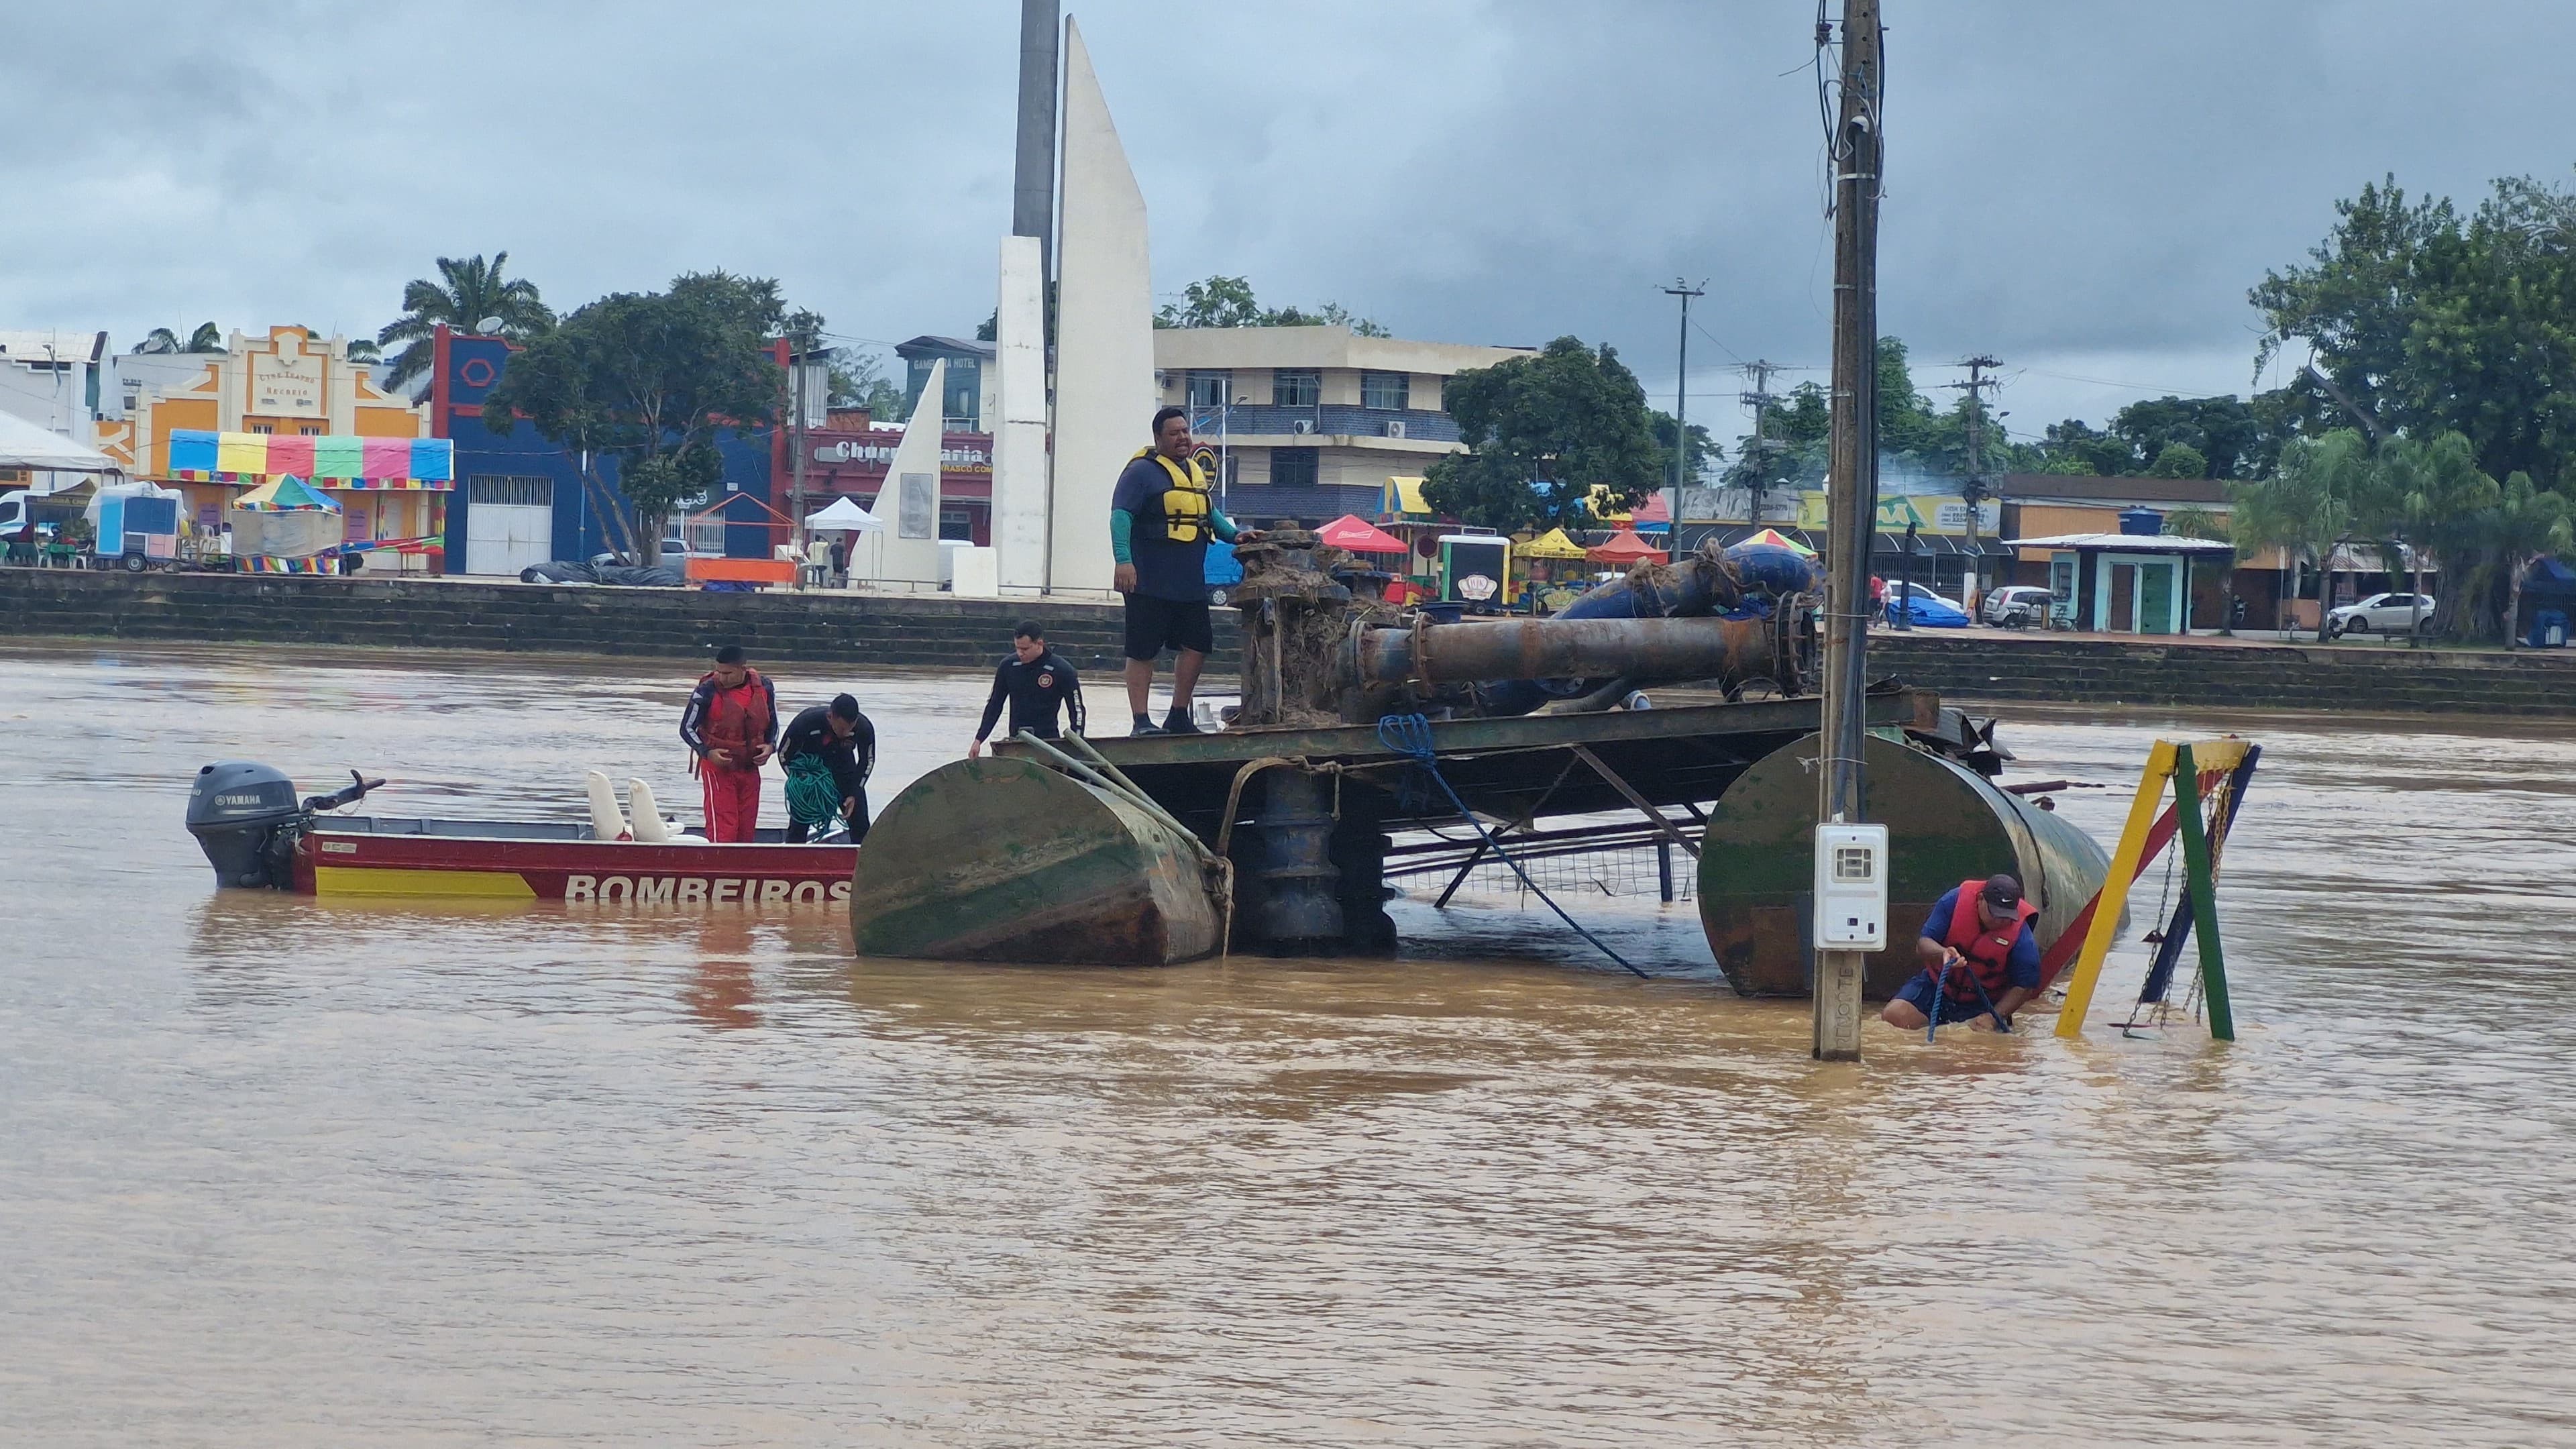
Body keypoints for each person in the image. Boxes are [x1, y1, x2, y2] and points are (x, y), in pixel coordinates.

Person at [1110, 406, 1258, 735]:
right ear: (1158, 438)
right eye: (1175, 433)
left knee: (1198, 645)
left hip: (1188, 582)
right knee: (1142, 650)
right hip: (1148, 579)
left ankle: (1178, 714)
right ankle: (1141, 721)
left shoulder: (1194, 472)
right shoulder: (1140, 473)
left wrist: (1236, 536)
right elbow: (1120, 517)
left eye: (1185, 431)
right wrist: (1124, 560)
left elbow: (1209, 514)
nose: (1183, 438)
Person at [1882, 873, 2043, 1032]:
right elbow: (1923, 944)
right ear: (1980, 899)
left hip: (1983, 1001)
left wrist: (1994, 1017)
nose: (2001, 921)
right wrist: (1942, 953)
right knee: (1894, 1015)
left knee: (1978, 1040)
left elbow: (2025, 986)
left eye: (2006, 916)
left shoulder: (2022, 935)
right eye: (1995, 914)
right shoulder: (1953, 901)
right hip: (1937, 987)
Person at [680, 644, 777, 843]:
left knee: (746, 829)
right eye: (718, 672)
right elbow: (686, 728)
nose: (721, 678)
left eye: (727, 673)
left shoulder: (764, 687)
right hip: (718, 767)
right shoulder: (706, 691)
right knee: (725, 830)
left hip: (749, 767)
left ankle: (743, 870)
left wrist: (771, 747)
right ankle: (717, 866)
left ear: (742, 669)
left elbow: (773, 723)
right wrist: (706, 752)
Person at [970, 619, 1087, 757]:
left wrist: (1076, 743)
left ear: (1039, 644)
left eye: (1025, 649)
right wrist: (979, 739)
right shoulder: (1008, 666)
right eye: (1017, 648)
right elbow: (994, 706)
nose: (1020, 653)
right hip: (1016, 742)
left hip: (1048, 742)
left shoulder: (1062, 670)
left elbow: (1077, 711)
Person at [779, 692, 875, 843]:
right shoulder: (806, 722)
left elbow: (867, 761)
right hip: (810, 775)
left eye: (850, 729)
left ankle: (861, 861)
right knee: (799, 826)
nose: (845, 734)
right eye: (842, 729)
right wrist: (800, 781)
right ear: (830, 717)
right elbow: (784, 755)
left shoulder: (864, 727)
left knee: (860, 824)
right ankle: (794, 858)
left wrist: (854, 793)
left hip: (845, 773)